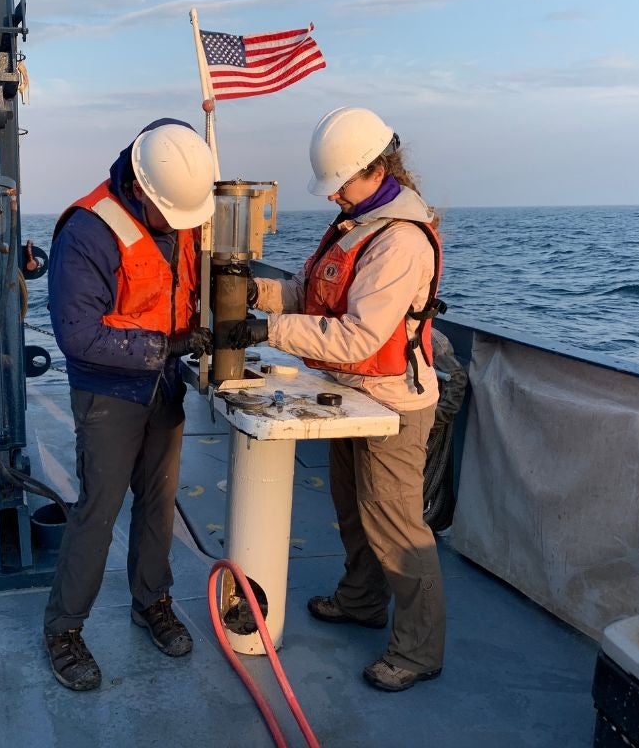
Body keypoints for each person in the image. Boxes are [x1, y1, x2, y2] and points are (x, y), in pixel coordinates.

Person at [227, 106, 446, 692]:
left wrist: (263, 332)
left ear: (375, 169)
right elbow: (312, 294)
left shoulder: (399, 241)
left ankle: (419, 650)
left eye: (340, 184)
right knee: (354, 511)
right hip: (352, 392)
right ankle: (360, 601)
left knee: (396, 528)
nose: (333, 197)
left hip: (394, 401)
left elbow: (358, 337)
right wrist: (260, 293)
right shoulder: (359, 223)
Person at [43, 119, 216, 691]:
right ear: (141, 189)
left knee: (159, 502)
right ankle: (64, 630)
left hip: (164, 386)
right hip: (109, 394)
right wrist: (166, 346)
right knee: (99, 509)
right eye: (171, 215)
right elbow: (79, 335)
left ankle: (152, 601)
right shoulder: (88, 232)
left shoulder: (181, 213)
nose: (177, 226)